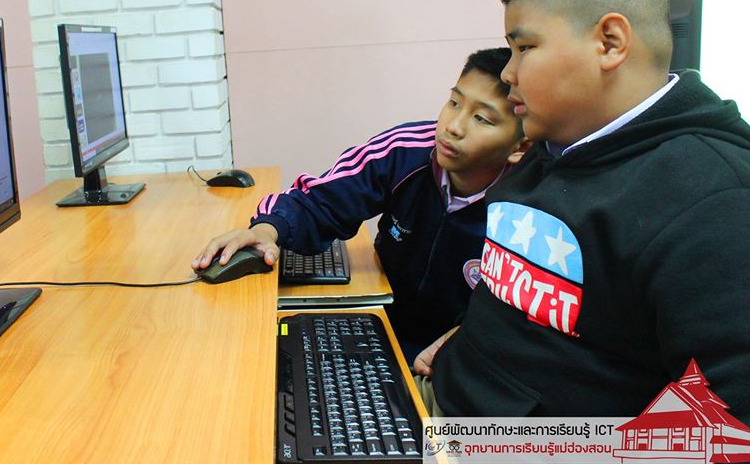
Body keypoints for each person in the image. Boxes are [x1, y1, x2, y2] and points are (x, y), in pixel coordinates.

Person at [417, 0, 750, 464]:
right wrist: (471, 336)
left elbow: (737, 440)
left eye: (524, 48)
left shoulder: (722, 204)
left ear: (609, 42)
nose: (508, 72)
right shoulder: (556, 146)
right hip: (446, 416)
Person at [192, 48, 528, 360]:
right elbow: (321, 200)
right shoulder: (405, 150)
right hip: (382, 328)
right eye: (454, 103)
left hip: (461, 355)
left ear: (521, 146)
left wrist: (467, 342)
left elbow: (525, 317)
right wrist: (267, 230)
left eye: (482, 119)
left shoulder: (531, 208)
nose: (452, 127)